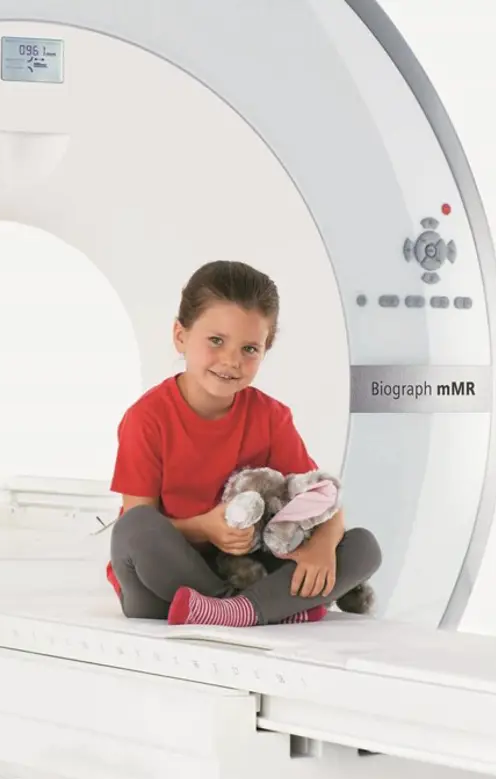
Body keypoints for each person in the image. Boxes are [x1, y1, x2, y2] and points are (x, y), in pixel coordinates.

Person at [107, 260, 381, 627]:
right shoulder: (147, 418)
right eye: (216, 341)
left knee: (363, 547)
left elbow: (323, 499)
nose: (231, 361)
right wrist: (205, 528)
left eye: (249, 348)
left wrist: (322, 546)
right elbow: (140, 517)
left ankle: (235, 610)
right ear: (181, 336)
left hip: (247, 569)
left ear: (266, 349)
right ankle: (263, 607)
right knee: (135, 529)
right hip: (165, 583)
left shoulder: (270, 417)